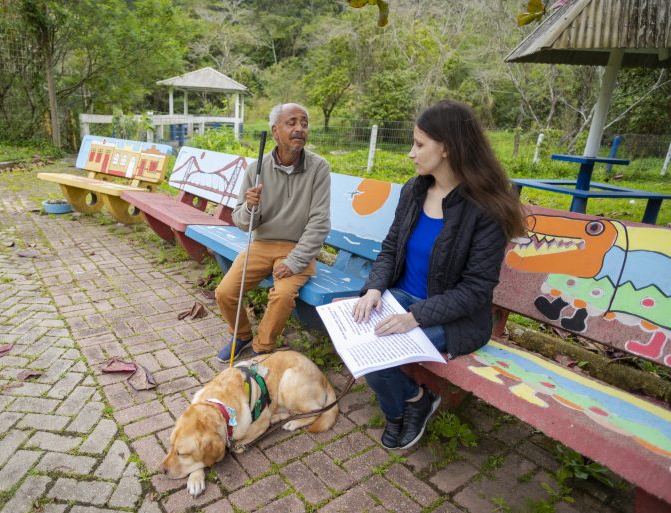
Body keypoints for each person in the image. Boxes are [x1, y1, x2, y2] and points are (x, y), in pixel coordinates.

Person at [352, 100, 525, 450]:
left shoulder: (485, 209)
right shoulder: (414, 191)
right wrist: (373, 289)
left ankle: (398, 411)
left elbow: (477, 290)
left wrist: (416, 316)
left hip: (456, 317)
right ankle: (415, 400)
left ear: (446, 147)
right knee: (357, 337)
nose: (411, 153)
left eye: (419, 144)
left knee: (376, 353)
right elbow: (390, 250)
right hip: (402, 298)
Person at [215, 103, 331, 363]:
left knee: (282, 295)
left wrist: (294, 262)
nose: (300, 129)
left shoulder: (319, 168)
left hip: (299, 247)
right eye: (291, 123)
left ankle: (262, 347)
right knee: (225, 292)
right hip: (263, 243)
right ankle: (241, 334)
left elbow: (319, 223)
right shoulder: (257, 167)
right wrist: (250, 207)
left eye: (304, 123)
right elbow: (242, 222)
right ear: (275, 131)